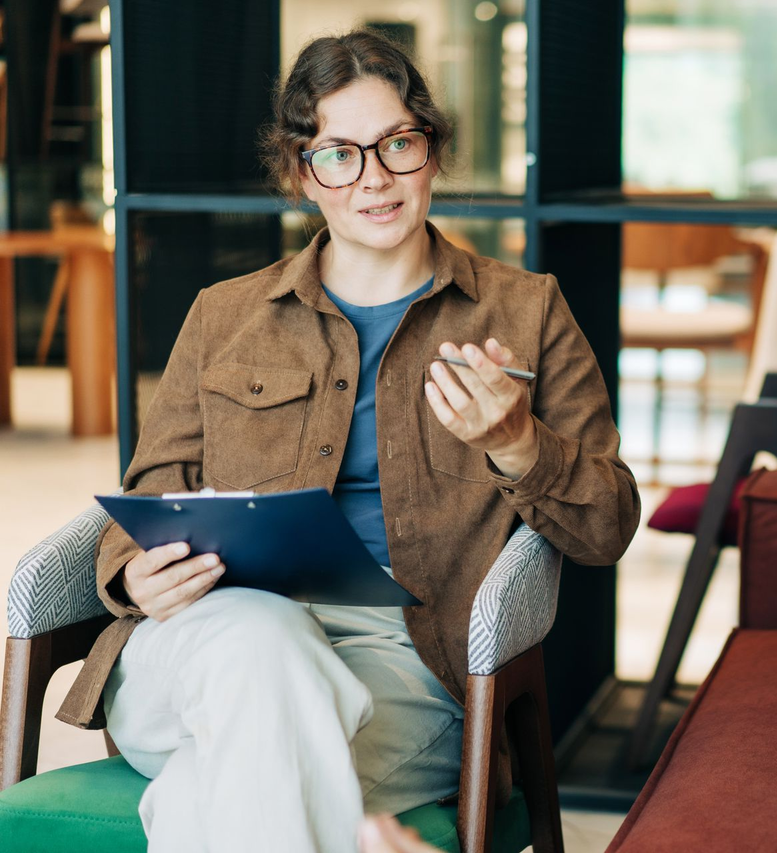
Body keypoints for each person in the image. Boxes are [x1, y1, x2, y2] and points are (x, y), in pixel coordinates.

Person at [53, 29, 640, 853]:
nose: (374, 178)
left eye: (398, 144)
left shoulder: (526, 313)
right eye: (338, 154)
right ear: (302, 172)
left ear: (430, 152)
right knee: (263, 641)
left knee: (233, 780)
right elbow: (146, 497)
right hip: (200, 642)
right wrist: (135, 572)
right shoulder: (223, 314)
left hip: (405, 663)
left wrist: (516, 440)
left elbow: (607, 526)